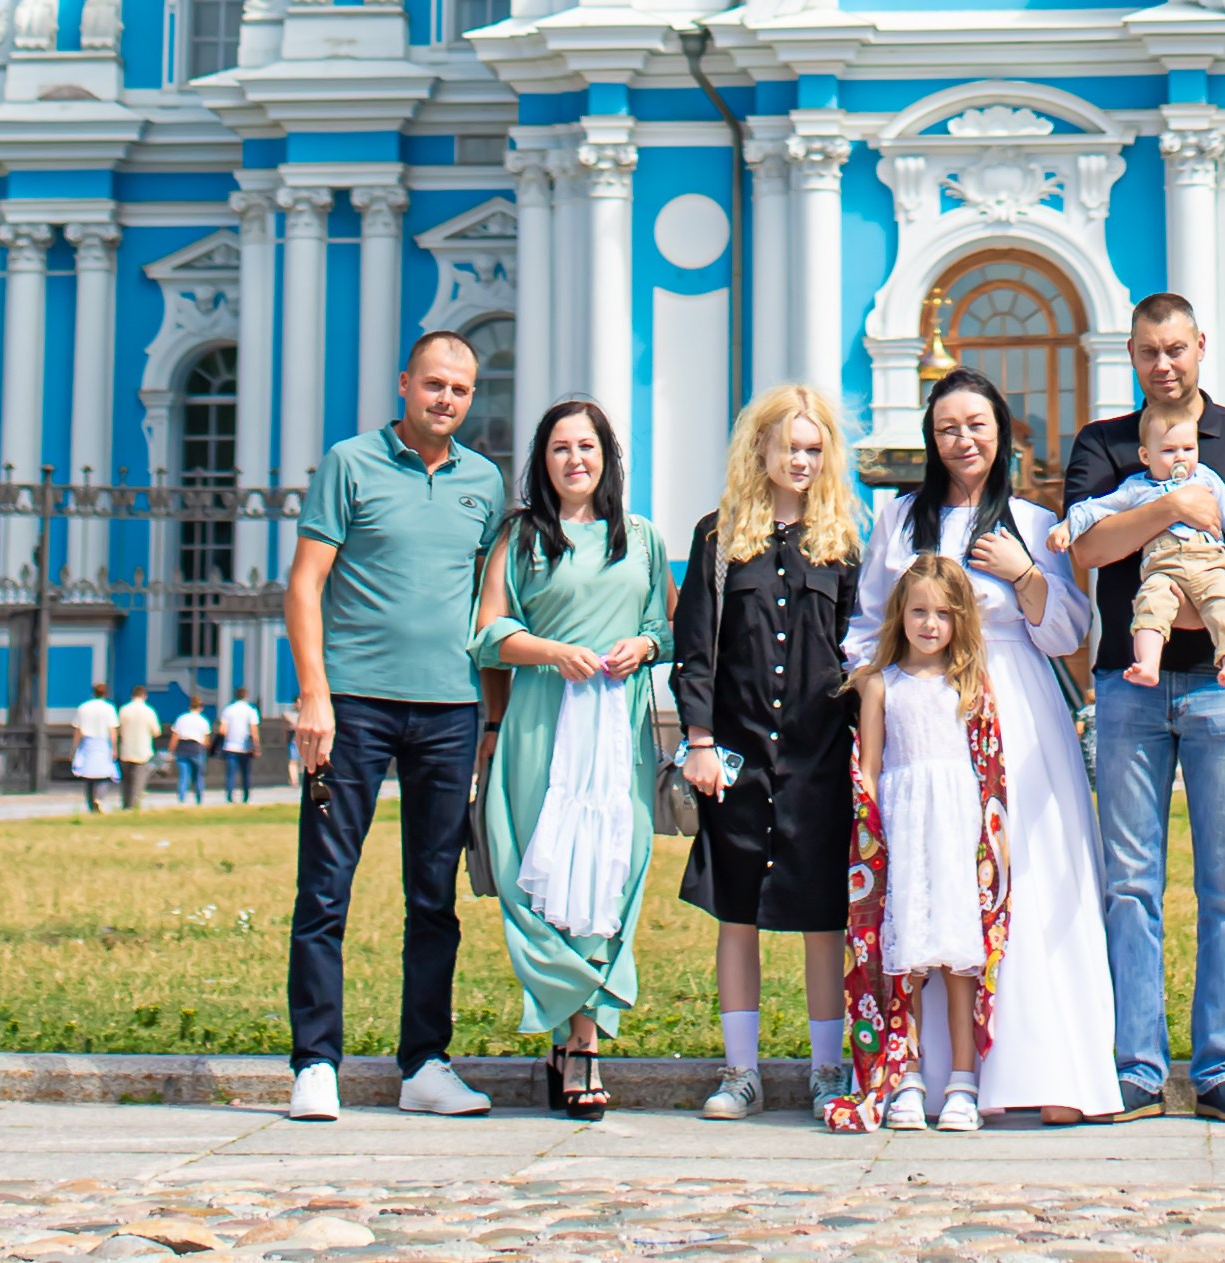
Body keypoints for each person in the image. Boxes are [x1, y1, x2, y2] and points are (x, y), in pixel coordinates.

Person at [853, 368, 1120, 1123]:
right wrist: (887, 693)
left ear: (1000, 431)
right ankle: (930, 1072)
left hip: (1017, 709)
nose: (962, 438)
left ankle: (1046, 1067)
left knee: (1028, 878)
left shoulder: (1036, 523)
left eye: (975, 424)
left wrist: (1026, 574)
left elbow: (1069, 632)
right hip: (923, 719)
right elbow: (864, 625)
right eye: (946, 427)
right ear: (930, 439)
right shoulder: (900, 520)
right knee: (930, 878)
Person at [1063, 293, 1225, 1125]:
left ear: (1201, 344)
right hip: (1128, 688)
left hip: (1221, 688)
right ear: (1131, 356)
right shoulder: (1101, 444)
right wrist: (1168, 504)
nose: (1164, 364)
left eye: (1176, 348)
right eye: (1148, 352)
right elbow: (1089, 549)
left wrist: (1212, 607)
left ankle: (1219, 1066)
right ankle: (1135, 1065)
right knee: (1129, 882)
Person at [283, 327, 510, 1125]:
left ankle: (424, 1062)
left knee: (433, 894)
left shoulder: (485, 480)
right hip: (353, 707)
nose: (446, 398)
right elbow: (305, 584)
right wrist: (315, 694)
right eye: (433, 384)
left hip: (449, 710)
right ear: (404, 383)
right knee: (325, 887)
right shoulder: (350, 463)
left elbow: (489, 608)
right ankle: (315, 1061)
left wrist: (491, 718)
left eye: (460, 389)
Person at [471, 397, 672, 1118]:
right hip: (539, 718)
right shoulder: (520, 537)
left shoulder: (640, 537)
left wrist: (643, 646)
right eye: (559, 447)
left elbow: (664, 627)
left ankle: (577, 1036)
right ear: (542, 460)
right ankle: (574, 1032)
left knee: (607, 869)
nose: (574, 459)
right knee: (541, 876)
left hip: (617, 726)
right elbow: (488, 629)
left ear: (606, 456)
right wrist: (552, 651)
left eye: (586, 446)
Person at [675, 383, 866, 1123]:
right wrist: (697, 740)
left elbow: (858, 657)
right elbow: (695, 651)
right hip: (738, 757)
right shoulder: (718, 539)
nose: (802, 459)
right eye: (790, 445)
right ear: (760, 447)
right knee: (738, 915)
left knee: (824, 918)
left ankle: (826, 1068)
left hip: (820, 764)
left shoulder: (844, 543)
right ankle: (740, 1071)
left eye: (814, 448)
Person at [833, 556, 1008, 1133]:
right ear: (899, 615)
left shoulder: (970, 686)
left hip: (956, 827)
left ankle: (962, 1079)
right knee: (904, 956)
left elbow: (987, 770)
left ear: (960, 620)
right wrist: (874, 837)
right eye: (919, 612)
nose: (930, 624)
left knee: (959, 956)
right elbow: (872, 769)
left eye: (943, 613)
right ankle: (905, 1074)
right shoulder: (881, 685)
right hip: (903, 829)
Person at [1051, 405, 1225, 686]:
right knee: (1150, 604)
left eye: (1189, 449)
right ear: (1145, 455)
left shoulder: (1206, 479)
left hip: (1209, 563)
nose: (1181, 458)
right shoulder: (1137, 488)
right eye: (1168, 451)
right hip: (1163, 568)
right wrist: (1066, 526)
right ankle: (1148, 662)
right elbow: (1096, 508)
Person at [70, 686, 117, 813]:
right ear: (105, 693)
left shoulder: (83, 707)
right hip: (103, 742)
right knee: (104, 774)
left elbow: (77, 730)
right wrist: (114, 748)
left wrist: (74, 749)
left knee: (88, 774)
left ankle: (90, 803)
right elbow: (112, 730)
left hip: (88, 742)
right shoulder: (109, 708)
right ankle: (99, 798)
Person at [114, 684, 160, 810]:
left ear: (132, 695)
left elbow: (118, 729)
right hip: (142, 751)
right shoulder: (149, 711)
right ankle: (134, 806)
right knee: (138, 782)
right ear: (144, 696)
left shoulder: (124, 710)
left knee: (126, 781)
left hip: (126, 750)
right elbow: (156, 731)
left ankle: (125, 804)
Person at [219, 687, 261, 803]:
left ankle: (229, 796)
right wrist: (256, 746)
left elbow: (222, 729)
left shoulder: (228, 710)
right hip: (245, 747)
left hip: (230, 746)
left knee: (230, 774)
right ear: (246, 696)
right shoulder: (250, 710)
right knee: (246, 773)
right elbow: (254, 730)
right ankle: (246, 796)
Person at [171, 700, 215, 805]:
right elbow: (206, 740)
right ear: (201, 707)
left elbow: (175, 737)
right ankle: (199, 799)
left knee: (183, 776)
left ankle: (182, 799)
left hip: (182, 748)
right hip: (196, 748)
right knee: (198, 776)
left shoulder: (181, 719)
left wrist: (171, 750)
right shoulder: (203, 720)